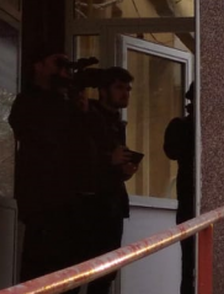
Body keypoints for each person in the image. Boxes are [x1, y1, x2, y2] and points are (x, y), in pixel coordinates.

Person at [8, 53, 87, 286]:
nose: (63, 72)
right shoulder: (27, 101)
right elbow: (33, 133)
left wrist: (80, 111)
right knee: (38, 266)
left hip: (67, 197)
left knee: (67, 268)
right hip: (40, 197)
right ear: (38, 66)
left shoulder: (65, 103)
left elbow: (79, 144)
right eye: (57, 64)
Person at [80, 67, 139, 294]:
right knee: (78, 270)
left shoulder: (116, 123)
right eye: (119, 88)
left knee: (106, 272)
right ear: (103, 90)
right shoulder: (88, 117)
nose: (125, 94)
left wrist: (125, 170)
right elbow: (78, 158)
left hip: (112, 204)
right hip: (88, 205)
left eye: (128, 89)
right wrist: (109, 160)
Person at [164, 83, 196, 294]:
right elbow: (171, 150)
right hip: (189, 204)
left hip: (194, 203)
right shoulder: (182, 126)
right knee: (190, 265)